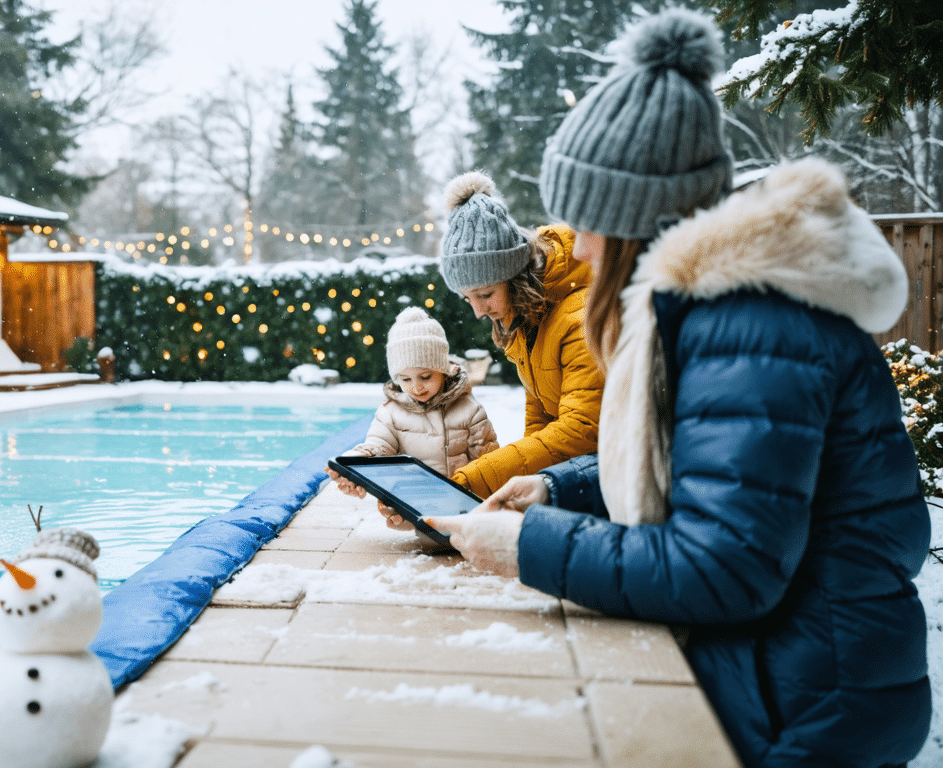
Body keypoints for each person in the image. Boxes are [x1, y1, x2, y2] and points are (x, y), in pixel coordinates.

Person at [426, 9, 931, 767]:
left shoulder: (757, 327)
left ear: (637, 221)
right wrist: (559, 489)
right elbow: (706, 472)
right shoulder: (712, 314)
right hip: (780, 674)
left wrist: (531, 546)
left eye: (588, 223)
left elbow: (725, 568)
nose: (578, 248)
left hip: (806, 703)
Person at [436, 170, 603, 498]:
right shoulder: (525, 319)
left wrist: (479, 479)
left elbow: (582, 430)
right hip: (578, 473)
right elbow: (540, 419)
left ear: (516, 278)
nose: (478, 312)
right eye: (468, 299)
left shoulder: (578, 318)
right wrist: (521, 489)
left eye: (485, 294)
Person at [330, 307, 497, 497]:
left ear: (443, 370)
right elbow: (378, 445)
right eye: (405, 379)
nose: (416, 387)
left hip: (462, 504)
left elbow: (488, 466)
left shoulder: (470, 410)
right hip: (414, 503)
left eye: (425, 376)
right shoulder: (390, 413)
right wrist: (358, 461)